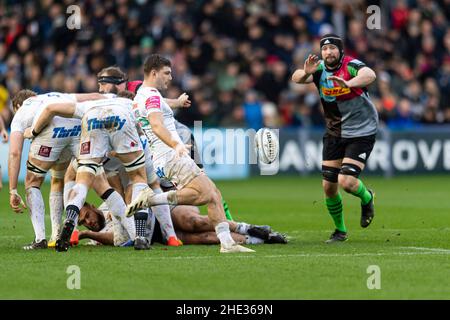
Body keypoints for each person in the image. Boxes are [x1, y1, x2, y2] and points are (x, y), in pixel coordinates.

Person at [128, 54, 253, 253]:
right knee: (204, 194)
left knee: (213, 194)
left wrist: (176, 102)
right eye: (166, 73)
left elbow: (157, 106)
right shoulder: (152, 96)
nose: (170, 77)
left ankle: (227, 243)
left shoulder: (142, 96)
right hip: (170, 155)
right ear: (153, 72)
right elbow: (157, 125)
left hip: (162, 157)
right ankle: (151, 199)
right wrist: (176, 145)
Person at [27, 94, 151, 251]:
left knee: (82, 182)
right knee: (138, 178)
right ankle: (140, 237)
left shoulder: (88, 105)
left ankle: (71, 218)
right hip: (121, 119)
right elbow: (144, 127)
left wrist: (33, 131)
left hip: (91, 119)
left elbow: (51, 108)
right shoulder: (130, 104)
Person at [291, 34, 377, 243]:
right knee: (329, 187)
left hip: (362, 130)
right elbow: (295, 78)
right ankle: (340, 230)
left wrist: (349, 83)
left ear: (340, 51)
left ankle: (367, 198)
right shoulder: (318, 68)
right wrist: (305, 74)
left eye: (332, 48)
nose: (328, 52)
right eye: (325, 49)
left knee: (346, 182)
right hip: (334, 133)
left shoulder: (351, 65)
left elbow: (370, 74)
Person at [9, 90, 103, 249]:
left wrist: (12, 189)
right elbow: (92, 96)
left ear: (18, 105)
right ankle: (57, 234)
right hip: (77, 127)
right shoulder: (56, 95)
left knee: (33, 182)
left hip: (52, 131)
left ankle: (40, 239)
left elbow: (14, 153)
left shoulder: (22, 111)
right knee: (59, 178)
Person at [76, 202, 287, 246]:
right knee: (205, 239)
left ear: (92, 206)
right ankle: (260, 239)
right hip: (156, 235)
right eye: (84, 223)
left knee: (196, 222)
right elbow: (117, 240)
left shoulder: (109, 202)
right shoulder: (96, 237)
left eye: (86, 215)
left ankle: (247, 227)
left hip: (161, 213)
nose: (89, 223)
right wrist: (86, 235)